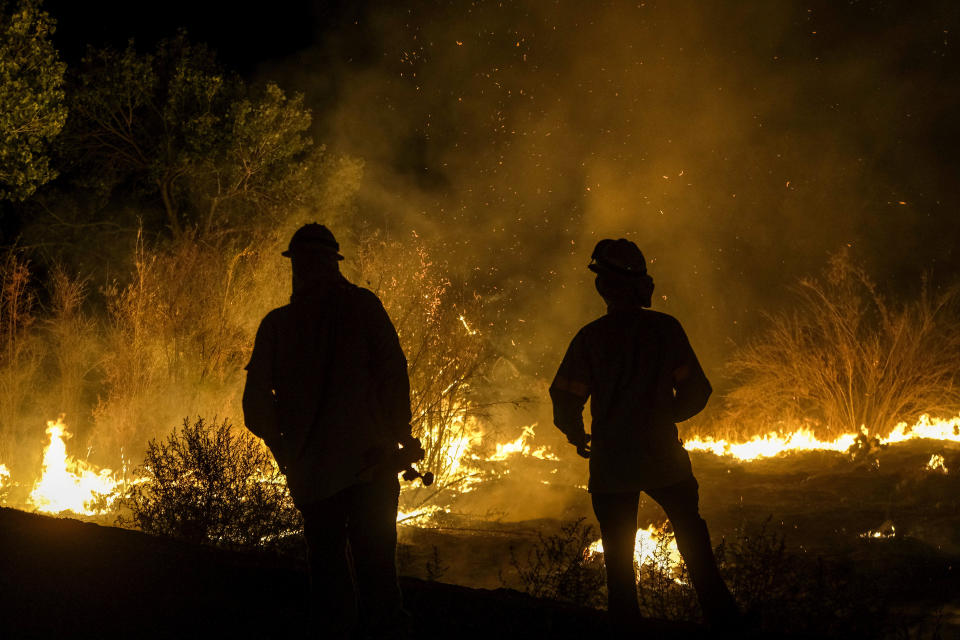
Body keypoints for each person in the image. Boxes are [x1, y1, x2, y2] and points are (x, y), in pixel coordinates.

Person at [550, 238, 741, 632]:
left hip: (612, 460)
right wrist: (663, 416)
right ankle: (723, 620)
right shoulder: (664, 330)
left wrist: (576, 433)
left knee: (618, 552)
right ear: (640, 285)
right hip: (661, 455)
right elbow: (697, 390)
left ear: (603, 287)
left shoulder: (591, 338)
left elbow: (565, 395)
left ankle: (625, 627)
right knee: (691, 534)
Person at [242, 223, 419, 639]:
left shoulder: (278, 326)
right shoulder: (364, 307)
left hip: (313, 473)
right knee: (377, 574)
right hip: (372, 466)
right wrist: (400, 433)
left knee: (328, 577)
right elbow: (394, 375)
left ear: (298, 267)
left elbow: (256, 406)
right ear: (332, 264)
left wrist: (284, 448)